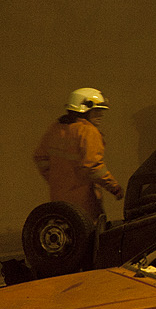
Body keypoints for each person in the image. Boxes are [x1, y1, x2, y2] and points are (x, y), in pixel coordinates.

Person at [33, 87, 124, 223]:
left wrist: (57, 180)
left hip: (59, 201)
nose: (100, 115)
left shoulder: (55, 129)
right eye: (97, 110)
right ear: (83, 109)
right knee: (93, 237)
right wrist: (114, 187)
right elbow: (94, 167)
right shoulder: (88, 132)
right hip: (85, 202)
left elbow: (41, 158)